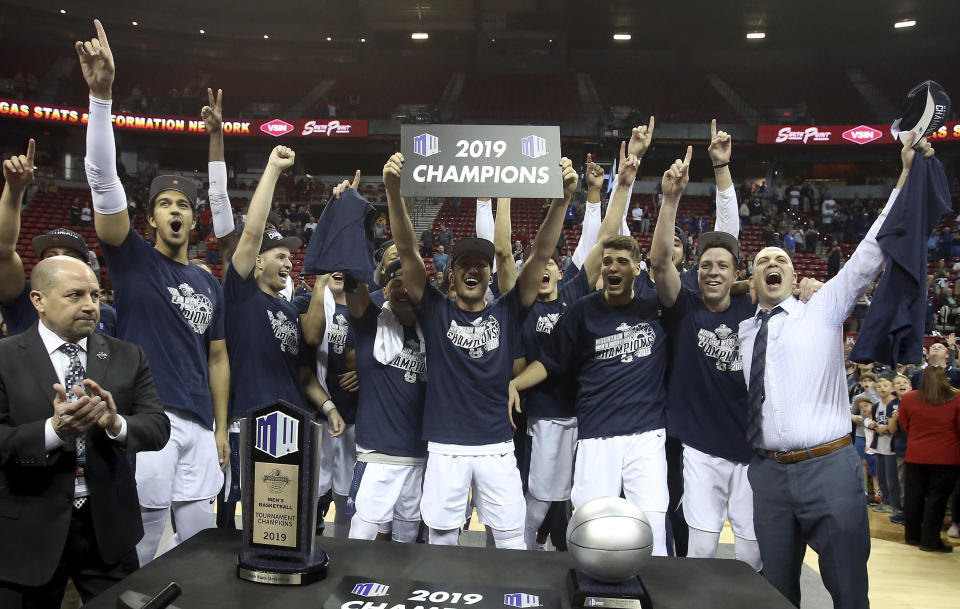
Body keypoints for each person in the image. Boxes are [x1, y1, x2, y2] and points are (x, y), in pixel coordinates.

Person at [738, 134, 935, 609]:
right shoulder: (742, 331)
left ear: (793, 273)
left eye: (780, 259)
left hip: (828, 467)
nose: (771, 263)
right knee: (775, 593)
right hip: (767, 474)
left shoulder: (823, 307)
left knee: (849, 590)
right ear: (752, 277)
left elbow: (871, 252)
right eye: (762, 259)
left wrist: (905, 176)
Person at [77, 19, 230, 566]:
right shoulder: (134, 259)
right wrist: (101, 99)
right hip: (148, 417)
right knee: (140, 541)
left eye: (183, 205)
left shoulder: (208, 282)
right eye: (165, 204)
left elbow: (217, 357)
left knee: (202, 540)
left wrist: (218, 427)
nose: (175, 211)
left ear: (194, 219)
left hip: (199, 424)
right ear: (151, 217)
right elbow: (102, 181)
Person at [383, 151, 578, 550]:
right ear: (451, 273)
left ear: (491, 274)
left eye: (481, 264)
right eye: (464, 263)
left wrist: (561, 200)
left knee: (510, 540)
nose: (473, 269)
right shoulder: (436, 309)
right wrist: (392, 190)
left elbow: (541, 254)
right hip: (445, 446)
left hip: (496, 446)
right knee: (440, 541)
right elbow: (405, 250)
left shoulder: (507, 311)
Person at [0, 256, 170, 607]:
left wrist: (115, 423)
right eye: (75, 295)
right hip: (27, 533)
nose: (90, 305)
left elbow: (157, 427)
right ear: (39, 301)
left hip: (109, 532)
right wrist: (53, 431)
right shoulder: (4, 358)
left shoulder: (129, 356)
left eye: (95, 295)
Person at [511, 146, 636, 551]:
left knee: (575, 499)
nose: (544, 268)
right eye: (537, 263)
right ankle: (523, 557)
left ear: (558, 270)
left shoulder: (573, 293)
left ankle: (566, 560)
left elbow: (603, 243)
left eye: (550, 263)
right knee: (538, 499)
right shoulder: (523, 308)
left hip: (585, 415)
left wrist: (615, 189)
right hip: (545, 417)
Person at [649, 126, 763, 570]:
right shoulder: (685, 307)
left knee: (753, 552)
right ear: (695, 269)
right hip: (699, 446)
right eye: (706, 265)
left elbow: (727, 234)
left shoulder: (753, 306)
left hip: (750, 447)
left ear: (739, 271)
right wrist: (671, 200)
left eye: (724, 267)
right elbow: (660, 263)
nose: (714, 271)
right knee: (701, 548)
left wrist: (721, 168)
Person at [219, 146, 344, 529]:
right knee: (234, 527)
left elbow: (304, 375)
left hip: (292, 426)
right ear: (257, 260)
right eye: (279, 255)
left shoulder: (292, 311)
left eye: (291, 257)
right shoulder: (240, 295)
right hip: (248, 425)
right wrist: (272, 168)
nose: (289, 262)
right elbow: (252, 232)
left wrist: (329, 407)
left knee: (288, 527)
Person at [343, 259, 427, 543]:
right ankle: (351, 586)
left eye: (409, 283)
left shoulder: (433, 332)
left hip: (419, 455)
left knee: (407, 536)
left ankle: (400, 588)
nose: (403, 289)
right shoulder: (371, 324)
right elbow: (354, 282)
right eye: (396, 282)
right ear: (386, 289)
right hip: (378, 454)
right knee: (362, 534)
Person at [0, 140, 117, 338]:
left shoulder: (106, 315)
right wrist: (15, 190)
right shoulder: (22, 298)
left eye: (70, 255)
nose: (59, 260)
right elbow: (3, 250)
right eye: (51, 255)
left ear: (88, 266)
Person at [898, 366, 960, 552]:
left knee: (913, 497)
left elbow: (905, 424)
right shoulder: (956, 399)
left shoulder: (908, 398)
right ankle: (930, 541)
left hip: (916, 454)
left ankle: (912, 536)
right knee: (937, 499)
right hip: (946, 456)